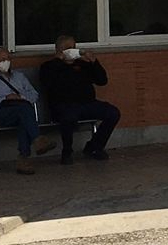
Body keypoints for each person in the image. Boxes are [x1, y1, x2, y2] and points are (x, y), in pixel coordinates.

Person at [39, 35, 121, 163]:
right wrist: (59, 60)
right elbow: (46, 82)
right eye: (67, 48)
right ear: (59, 50)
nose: (71, 50)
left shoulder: (82, 65)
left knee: (113, 113)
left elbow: (102, 81)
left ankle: (94, 147)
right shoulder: (49, 66)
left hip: (87, 103)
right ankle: (67, 151)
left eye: (73, 47)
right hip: (63, 105)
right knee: (68, 116)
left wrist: (93, 62)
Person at [0, 47, 56, 174]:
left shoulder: (20, 77)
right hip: (1, 113)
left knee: (23, 116)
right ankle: (37, 140)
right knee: (24, 111)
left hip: (21, 110)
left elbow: (34, 95)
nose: (6, 62)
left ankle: (24, 158)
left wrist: (21, 97)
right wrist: (5, 98)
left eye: (8, 58)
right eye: (2, 59)